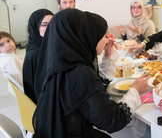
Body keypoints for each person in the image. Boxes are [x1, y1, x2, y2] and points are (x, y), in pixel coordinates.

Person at [33, 9, 150, 137]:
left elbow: (90, 95)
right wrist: (135, 90)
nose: (107, 40)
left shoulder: (57, 64)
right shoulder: (79, 73)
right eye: (104, 35)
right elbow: (113, 120)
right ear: (87, 36)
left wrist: (107, 58)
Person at [23, 9, 54, 103]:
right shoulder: (37, 54)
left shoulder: (42, 46)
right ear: (35, 27)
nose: (49, 28)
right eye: (44, 25)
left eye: (52, 23)